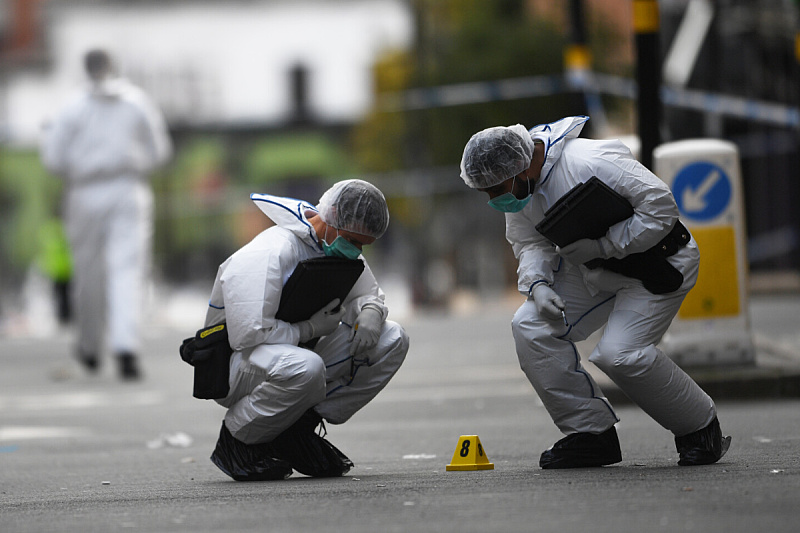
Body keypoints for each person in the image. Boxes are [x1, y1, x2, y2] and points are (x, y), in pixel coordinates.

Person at [459, 115, 731, 468]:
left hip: (660, 263)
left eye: (495, 190)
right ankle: (591, 435)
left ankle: (700, 430)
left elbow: (660, 208)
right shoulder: (520, 189)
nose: (494, 199)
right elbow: (528, 242)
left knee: (619, 354)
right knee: (530, 325)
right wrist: (538, 285)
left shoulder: (589, 161)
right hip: (595, 269)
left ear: (520, 167)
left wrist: (604, 245)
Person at [199, 179, 409, 481]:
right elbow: (247, 335)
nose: (357, 250)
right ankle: (238, 439)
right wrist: (308, 328)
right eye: (354, 241)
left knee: (393, 338)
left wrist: (372, 312)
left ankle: (295, 429)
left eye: (364, 245)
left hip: (291, 355)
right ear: (333, 216)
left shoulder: (333, 244)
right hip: (232, 365)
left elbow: (368, 292)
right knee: (307, 368)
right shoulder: (269, 254)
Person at [41, 49, 172, 380]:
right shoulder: (137, 101)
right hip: (128, 187)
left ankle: (88, 346)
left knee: (87, 272)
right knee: (127, 270)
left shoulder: (71, 106)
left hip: (84, 190)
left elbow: (53, 159)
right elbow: (160, 151)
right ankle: (125, 345)